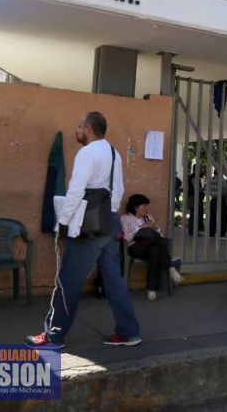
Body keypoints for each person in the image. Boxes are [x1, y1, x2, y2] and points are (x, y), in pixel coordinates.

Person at [26, 111, 141, 347]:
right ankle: (129, 333)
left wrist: (64, 221)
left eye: (79, 126)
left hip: (89, 227)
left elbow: (76, 191)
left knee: (68, 279)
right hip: (109, 221)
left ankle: (54, 335)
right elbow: (118, 190)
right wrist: (110, 214)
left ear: (89, 129)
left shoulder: (87, 153)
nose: (76, 130)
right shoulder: (113, 153)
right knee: (114, 281)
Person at [121, 194, 183, 300]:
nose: (146, 209)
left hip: (151, 247)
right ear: (136, 207)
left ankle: (151, 290)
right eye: (144, 206)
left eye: (147, 206)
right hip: (135, 247)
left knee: (154, 251)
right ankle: (170, 268)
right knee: (153, 238)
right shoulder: (125, 218)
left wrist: (155, 228)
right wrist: (141, 227)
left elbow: (160, 236)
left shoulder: (148, 217)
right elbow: (126, 237)